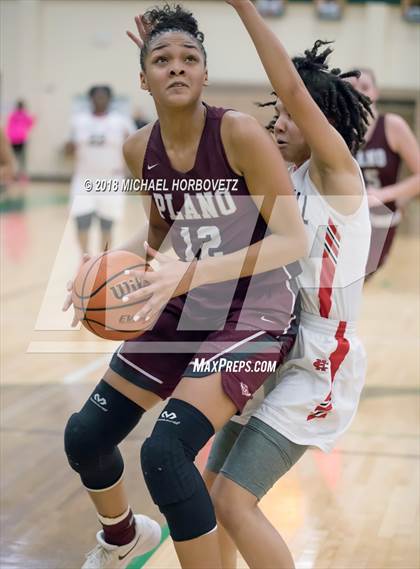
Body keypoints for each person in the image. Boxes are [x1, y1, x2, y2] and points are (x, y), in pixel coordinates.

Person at [63, 4, 306, 569]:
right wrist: (97, 271)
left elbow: (292, 239)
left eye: (189, 58)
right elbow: (161, 238)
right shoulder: (137, 151)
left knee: (166, 453)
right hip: (187, 301)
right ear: (142, 76)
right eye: (163, 59)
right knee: (86, 437)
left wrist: (189, 273)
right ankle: (124, 541)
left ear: (205, 74)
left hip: (257, 310)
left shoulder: (239, 133)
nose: (177, 68)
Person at [199, 2, 372, 568]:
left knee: (234, 499)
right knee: (212, 489)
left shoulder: (336, 174)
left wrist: (244, 9)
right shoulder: (284, 179)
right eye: (276, 112)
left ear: (322, 122)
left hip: (321, 358)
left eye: (291, 114)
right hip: (273, 348)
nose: (279, 120)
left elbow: (294, 92)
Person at [350, 69, 420, 277]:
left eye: (365, 87)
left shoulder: (392, 125)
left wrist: (384, 195)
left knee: (362, 275)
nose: (359, 93)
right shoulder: (340, 130)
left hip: (382, 218)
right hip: (350, 217)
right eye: (351, 88)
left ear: (376, 93)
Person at [66, 85, 136, 255]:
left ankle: (103, 259)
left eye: (103, 96)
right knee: (81, 221)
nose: (100, 99)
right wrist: (68, 147)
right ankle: (85, 257)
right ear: (90, 99)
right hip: (84, 179)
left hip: (111, 180)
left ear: (109, 99)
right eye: (96, 96)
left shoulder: (122, 121)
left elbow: (134, 147)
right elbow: (68, 150)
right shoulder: (79, 121)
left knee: (107, 224)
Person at [5, 100, 35, 181]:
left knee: (12, 159)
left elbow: (8, 127)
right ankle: (22, 177)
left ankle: (11, 176)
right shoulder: (25, 115)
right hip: (21, 139)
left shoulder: (12, 115)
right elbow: (31, 124)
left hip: (12, 139)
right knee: (22, 159)